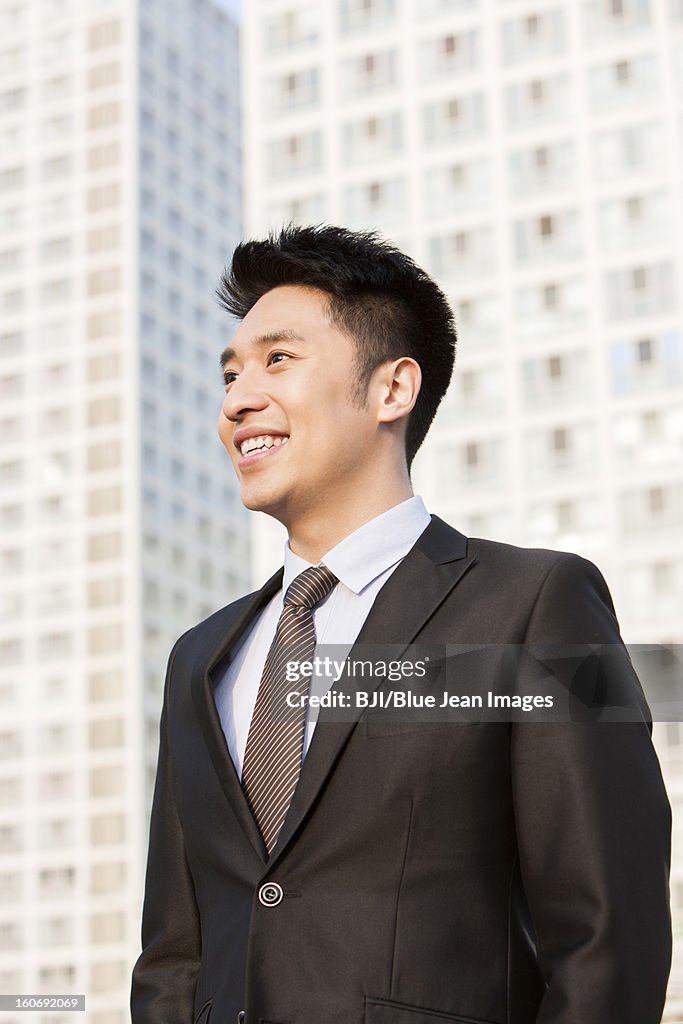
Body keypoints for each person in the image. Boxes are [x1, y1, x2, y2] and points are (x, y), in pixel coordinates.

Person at [130, 225, 671, 1024]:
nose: (237, 398)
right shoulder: (200, 657)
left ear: (392, 390)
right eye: (230, 374)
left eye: (278, 360)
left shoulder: (536, 603)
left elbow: (604, 936)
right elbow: (175, 952)